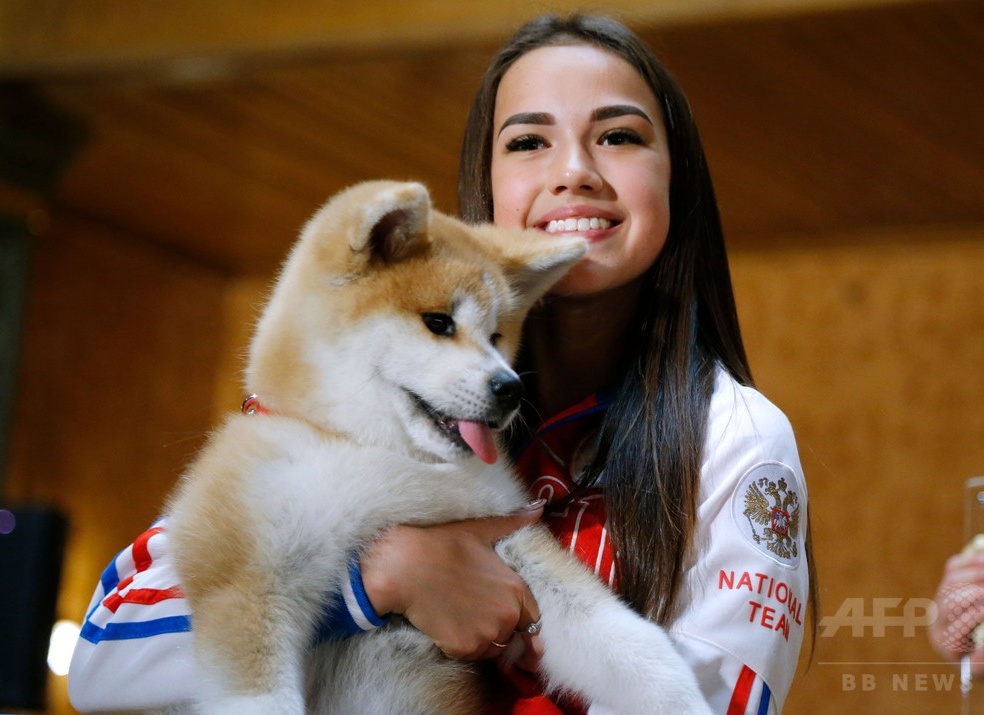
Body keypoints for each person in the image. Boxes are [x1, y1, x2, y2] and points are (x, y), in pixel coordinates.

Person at [69, 13, 816, 714]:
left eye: (619, 135)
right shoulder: (367, 392)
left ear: (675, 180)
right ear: (485, 186)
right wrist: (383, 579)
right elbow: (106, 651)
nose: (576, 171)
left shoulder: (736, 437)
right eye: (528, 142)